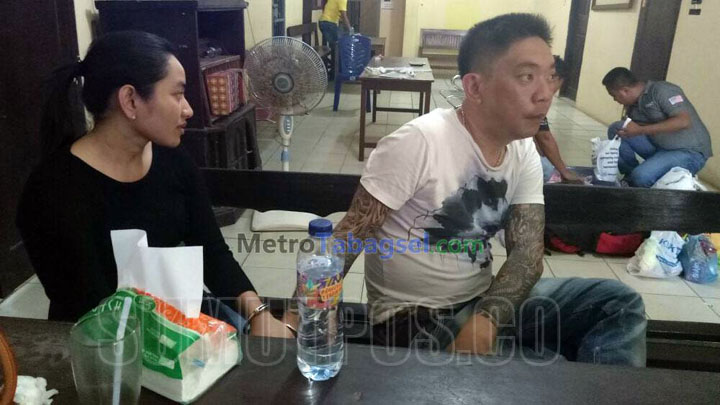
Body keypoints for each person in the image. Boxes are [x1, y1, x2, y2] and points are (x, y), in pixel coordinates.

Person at [333, 14, 646, 365]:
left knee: (617, 303)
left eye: (549, 77)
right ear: (475, 88)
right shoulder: (419, 142)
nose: (545, 94)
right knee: (546, 368)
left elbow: (527, 254)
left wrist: (486, 320)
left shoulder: (523, 149)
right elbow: (347, 237)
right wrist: (304, 312)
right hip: (415, 321)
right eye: (526, 77)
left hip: (483, 302)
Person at [16, 31, 293, 338]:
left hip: (174, 321)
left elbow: (211, 252)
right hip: (101, 341)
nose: (188, 109)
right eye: (177, 95)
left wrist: (258, 314)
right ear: (130, 100)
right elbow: (88, 309)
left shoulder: (173, 161)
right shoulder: (53, 192)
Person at [603, 67, 712, 187]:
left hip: (689, 151)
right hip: (660, 148)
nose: (615, 100)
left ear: (625, 90)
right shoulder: (634, 104)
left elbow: (683, 121)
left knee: (641, 177)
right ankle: (630, 175)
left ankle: (640, 177)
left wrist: (640, 130)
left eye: (614, 96)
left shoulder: (662, 90)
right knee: (617, 128)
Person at [535, 56, 582, 183]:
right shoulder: (537, 97)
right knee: (546, 170)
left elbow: (536, 133)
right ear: (554, 78)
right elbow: (545, 137)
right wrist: (564, 171)